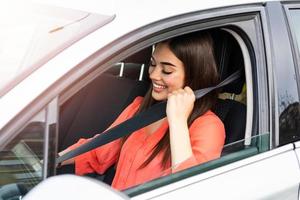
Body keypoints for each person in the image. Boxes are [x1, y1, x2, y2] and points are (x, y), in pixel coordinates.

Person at [59, 31, 225, 190]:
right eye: (153, 64)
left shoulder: (209, 127)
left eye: (167, 70)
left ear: (193, 75)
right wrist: (51, 160)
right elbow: (98, 151)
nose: (153, 74)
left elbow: (190, 189)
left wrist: (178, 122)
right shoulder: (140, 108)